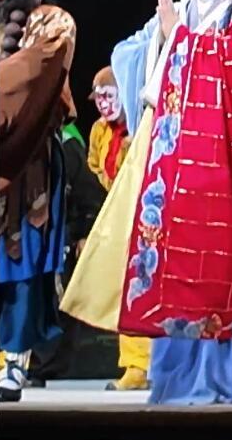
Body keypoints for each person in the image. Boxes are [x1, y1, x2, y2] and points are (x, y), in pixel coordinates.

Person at [61, 0, 232, 405]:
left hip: (225, 164)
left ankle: (219, 382)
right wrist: (161, 39)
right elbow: (133, 60)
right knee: (171, 268)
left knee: (216, 268)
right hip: (172, 159)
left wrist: (182, 39)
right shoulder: (180, 11)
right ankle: (173, 379)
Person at [0, 0, 76, 404]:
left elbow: (31, 77)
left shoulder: (53, 22)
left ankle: (14, 363)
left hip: (26, 165)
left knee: (18, 263)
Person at [84, 66, 151, 391]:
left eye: (109, 96)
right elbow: (95, 168)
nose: (103, 105)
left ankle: (147, 364)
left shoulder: (140, 128)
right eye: (98, 99)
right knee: (126, 290)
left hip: (146, 216)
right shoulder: (99, 130)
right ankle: (135, 364)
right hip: (116, 217)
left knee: (143, 286)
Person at [26, 121, 105, 387]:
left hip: (59, 236)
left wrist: (84, 231)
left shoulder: (67, 144)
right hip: (25, 234)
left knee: (56, 297)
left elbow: (88, 193)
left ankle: (43, 366)